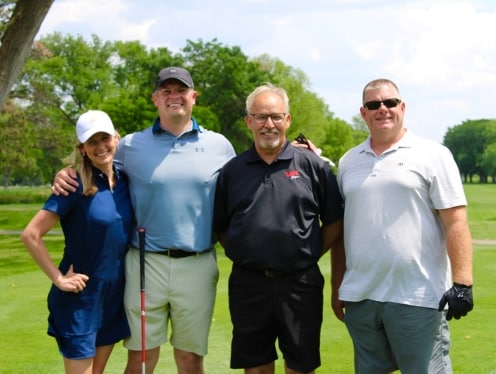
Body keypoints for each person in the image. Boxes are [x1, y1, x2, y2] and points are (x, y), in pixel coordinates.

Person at [51, 67, 236, 373]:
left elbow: (246, 182)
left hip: (198, 262)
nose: (173, 96)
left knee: (190, 359)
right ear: (155, 98)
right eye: (166, 91)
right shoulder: (131, 145)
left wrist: (297, 154)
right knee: (141, 357)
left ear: (194, 97)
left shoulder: (220, 145)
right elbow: (96, 163)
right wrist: (65, 171)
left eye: (181, 90)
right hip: (145, 264)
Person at [332, 78, 474, 373]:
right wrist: (338, 287)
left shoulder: (433, 154)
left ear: (403, 107)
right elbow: (344, 231)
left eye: (390, 102)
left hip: (418, 296)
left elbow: (456, 221)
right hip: (362, 296)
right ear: (363, 113)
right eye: (373, 105)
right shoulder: (349, 161)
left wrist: (462, 283)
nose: (382, 109)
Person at [213, 83, 344, 374]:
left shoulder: (314, 167)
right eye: (260, 117)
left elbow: (334, 221)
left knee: (300, 366)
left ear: (287, 120)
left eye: (275, 116)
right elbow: (221, 228)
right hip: (249, 284)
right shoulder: (232, 171)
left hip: (300, 284)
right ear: (249, 121)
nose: (268, 124)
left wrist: (306, 254)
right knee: (256, 367)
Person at [21, 110, 133, 374]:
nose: (100, 147)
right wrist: (59, 279)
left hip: (113, 298)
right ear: (82, 148)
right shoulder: (73, 184)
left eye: (105, 138)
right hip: (80, 301)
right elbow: (30, 235)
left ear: (116, 138)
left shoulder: (126, 180)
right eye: (91, 142)